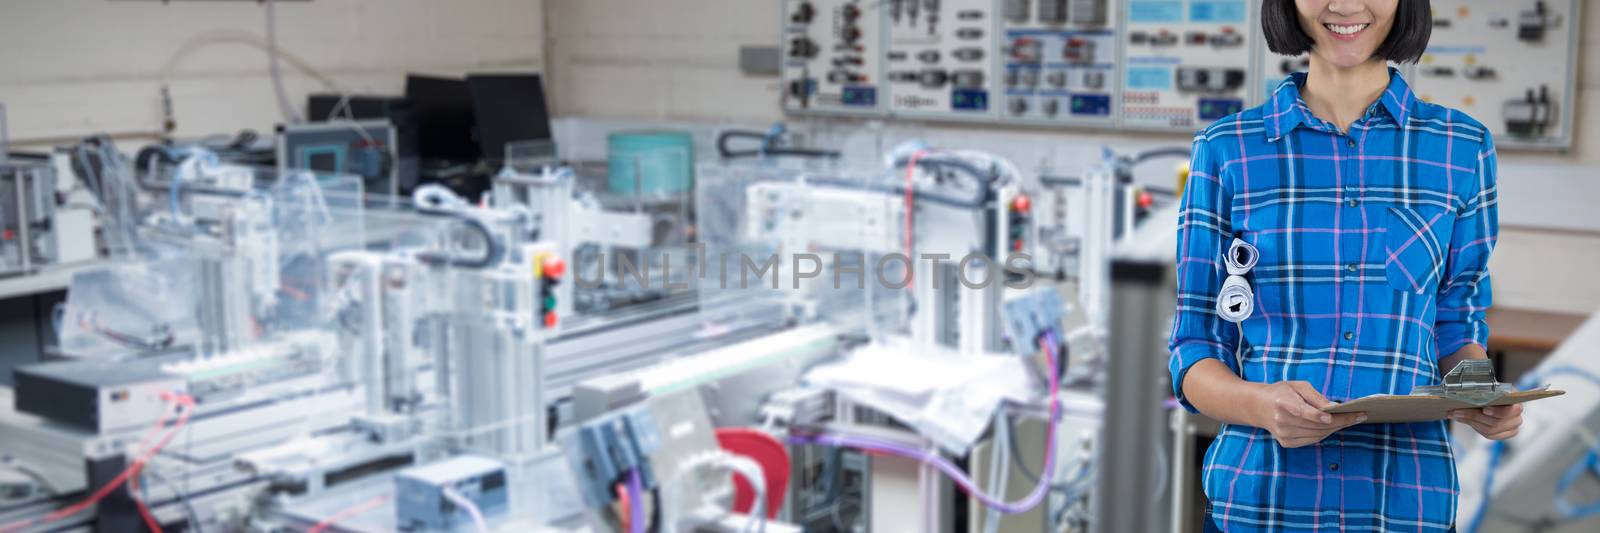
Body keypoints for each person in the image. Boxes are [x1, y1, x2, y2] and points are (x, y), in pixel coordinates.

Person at [1168, 1, 1521, 531]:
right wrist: (1262, 405)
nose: (1345, 5)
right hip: (1262, 505)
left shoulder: (1461, 149)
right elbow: (1194, 352)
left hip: (1405, 504)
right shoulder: (1227, 151)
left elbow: (1455, 324)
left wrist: (1479, 392)